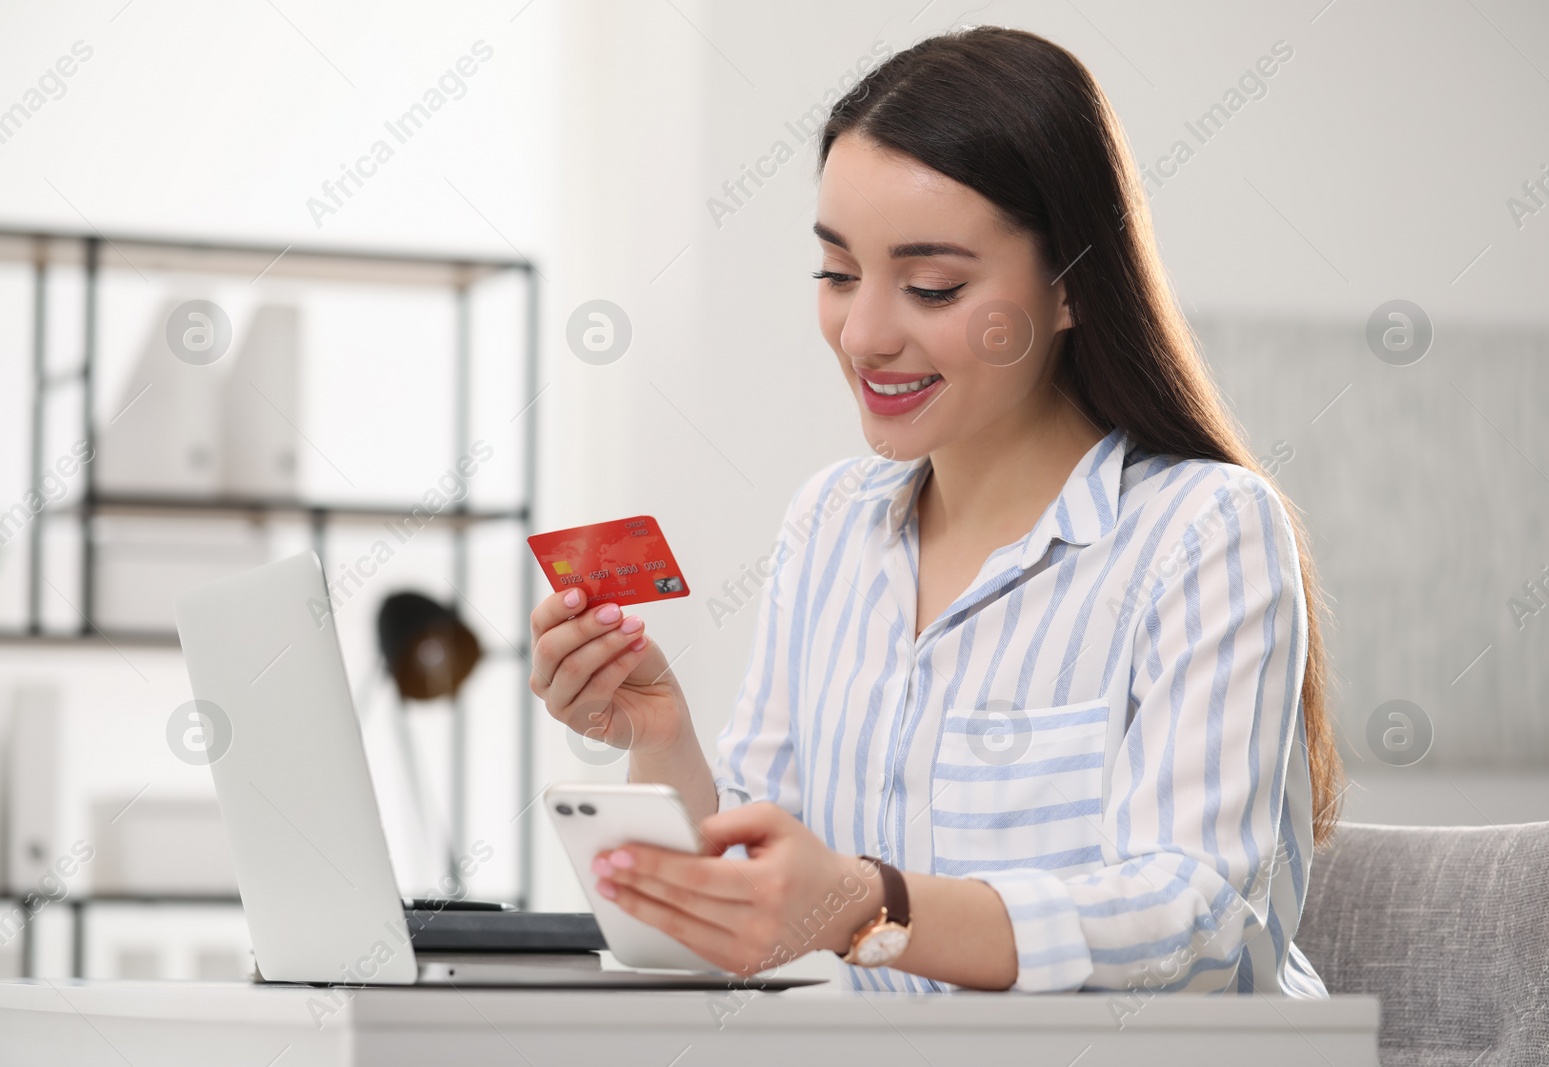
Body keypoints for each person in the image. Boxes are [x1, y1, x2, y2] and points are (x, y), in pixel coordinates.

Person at [529, 25, 1344, 995]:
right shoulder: (827, 524)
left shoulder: (1202, 531)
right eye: (836, 273)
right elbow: (752, 904)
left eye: (932, 286)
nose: (864, 333)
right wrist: (660, 739)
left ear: (1074, 284)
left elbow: (1196, 916)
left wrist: (868, 902)